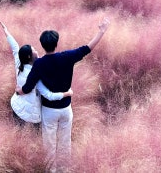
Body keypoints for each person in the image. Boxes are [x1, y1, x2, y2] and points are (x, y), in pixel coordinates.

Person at [20, 18, 110, 172]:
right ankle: (64, 170)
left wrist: (18, 90)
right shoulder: (67, 57)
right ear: (56, 43)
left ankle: (52, 171)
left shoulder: (39, 64)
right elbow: (87, 48)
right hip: (66, 109)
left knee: (49, 145)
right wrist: (101, 31)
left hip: (49, 111)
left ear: (42, 45)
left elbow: (28, 88)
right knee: (65, 143)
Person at [1, 22, 72, 125]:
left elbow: (15, 47)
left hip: (16, 107)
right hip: (30, 116)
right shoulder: (37, 74)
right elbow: (48, 95)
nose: (36, 50)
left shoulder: (19, 63)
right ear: (29, 56)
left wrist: (6, 31)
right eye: (33, 49)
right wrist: (67, 94)